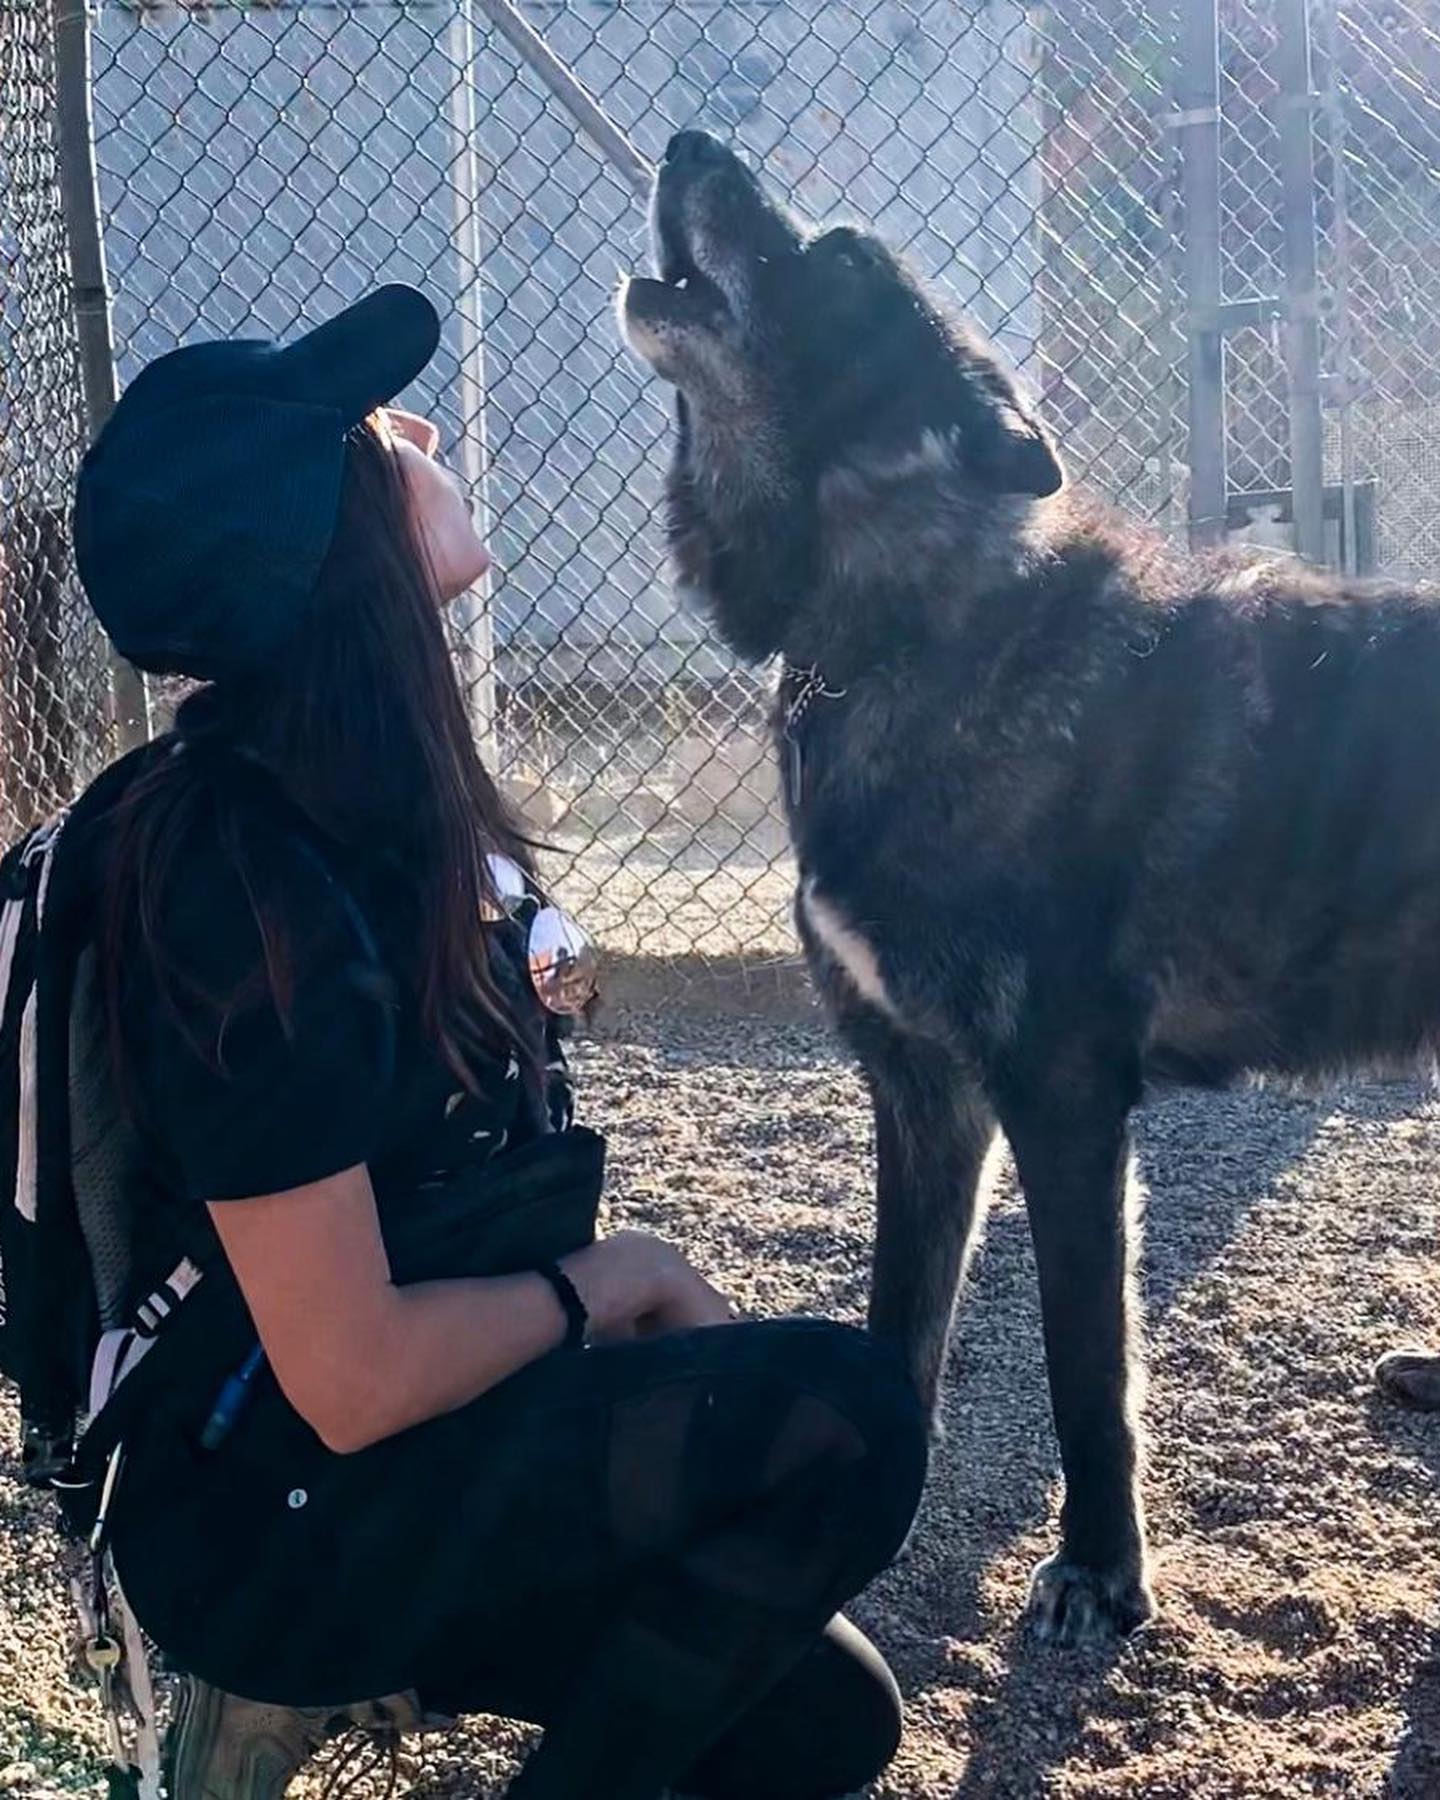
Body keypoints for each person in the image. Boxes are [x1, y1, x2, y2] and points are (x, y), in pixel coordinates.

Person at [66, 284, 929, 1800]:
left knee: (819, 1722)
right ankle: (286, 1686)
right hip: (272, 1517)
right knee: (848, 1421)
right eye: (371, 430)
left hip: (388, 1460)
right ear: (334, 548)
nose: (421, 429)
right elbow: (347, 1372)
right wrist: (613, 1283)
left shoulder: (359, 788)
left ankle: (405, 1673)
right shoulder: (241, 883)